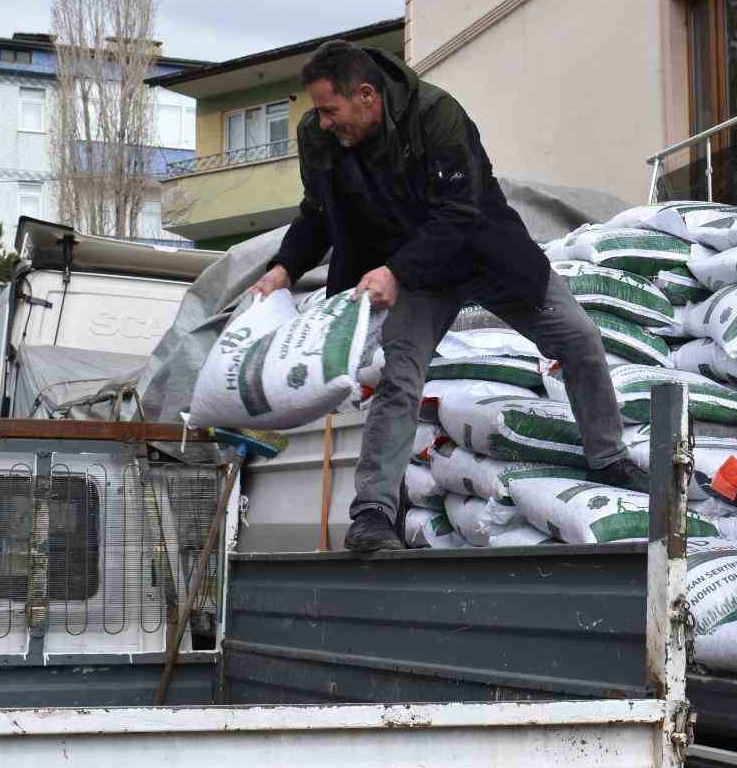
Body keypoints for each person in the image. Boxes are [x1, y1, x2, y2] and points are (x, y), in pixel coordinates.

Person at [252, 41, 647, 552]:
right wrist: (284, 268)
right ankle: (374, 513)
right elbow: (316, 213)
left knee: (580, 340)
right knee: (399, 377)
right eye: (319, 112)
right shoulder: (320, 137)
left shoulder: (436, 114)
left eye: (331, 110)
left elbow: (459, 213)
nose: (324, 123)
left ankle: (608, 458)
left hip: (482, 253)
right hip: (417, 276)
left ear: (367, 96)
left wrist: (395, 269)